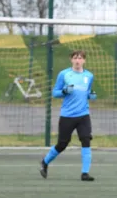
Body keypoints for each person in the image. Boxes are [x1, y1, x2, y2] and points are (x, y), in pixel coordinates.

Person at [40, 50, 96, 181]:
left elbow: (87, 92)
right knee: (62, 143)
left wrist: (91, 96)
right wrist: (64, 91)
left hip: (83, 115)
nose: (78, 61)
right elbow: (55, 92)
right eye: (75, 58)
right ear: (71, 60)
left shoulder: (89, 76)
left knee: (86, 139)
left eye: (80, 58)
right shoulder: (64, 74)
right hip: (67, 115)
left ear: (84, 61)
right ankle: (45, 162)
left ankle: (85, 173)